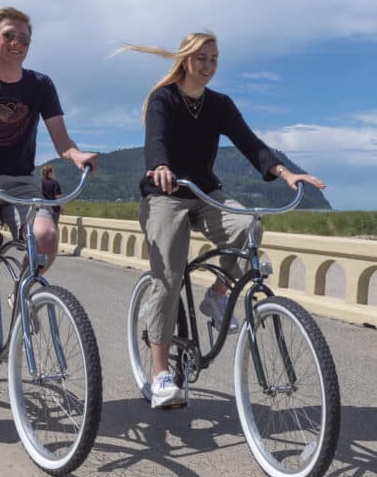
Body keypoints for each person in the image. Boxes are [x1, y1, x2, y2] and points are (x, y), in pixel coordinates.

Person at [121, 32, 326, 409]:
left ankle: (216, 297)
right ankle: (160, 372)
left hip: (205, 193)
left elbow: (251, 144)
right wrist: (160, 166)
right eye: (201, 58)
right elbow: (155, 141)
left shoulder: (220, 104)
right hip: (165, 194)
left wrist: (284, 172)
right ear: (185, 60)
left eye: (214, 59)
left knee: (248, 226)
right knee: (167, 276)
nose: (208, 66)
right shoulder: (163, 99)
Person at [0, 6, 98, 391]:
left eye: (25, 38)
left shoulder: (40, 85)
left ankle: (21, 291)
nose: (18, 44)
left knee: (45, 240)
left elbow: (62, 141)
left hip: (21, 183)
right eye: (10, 36)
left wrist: (76, 155)